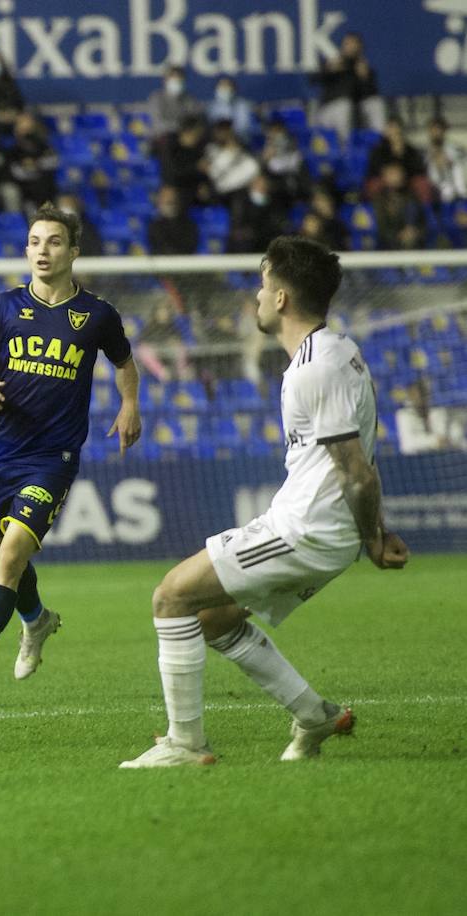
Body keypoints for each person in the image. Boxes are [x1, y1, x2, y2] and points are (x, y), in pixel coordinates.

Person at [121, 236, 409, 768]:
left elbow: (357, 473)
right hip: (323, 531)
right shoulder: (336, 351)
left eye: (261, 284)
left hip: (307, 530)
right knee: (213, 620)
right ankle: (314, 713)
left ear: (280, 298)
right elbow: (359, 465)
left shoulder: (314, 368)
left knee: (171, 597)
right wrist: (371, 531)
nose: (255, 296)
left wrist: (373, 536)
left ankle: (185, 744)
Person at [0, 204, 141, 707]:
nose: (42, 250)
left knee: (5, 561)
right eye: (34, 241)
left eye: (52, 241)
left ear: (73, 251)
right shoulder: (4, 306)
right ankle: (37, 621)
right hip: (0, 454)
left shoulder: (97, 315)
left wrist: (130, 404)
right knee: (7, 558)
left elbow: (124, 363)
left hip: (53, 457)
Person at [311, 31, 385, 141]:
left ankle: (379, 142)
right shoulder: (334, 63)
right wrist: (328, 70)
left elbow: (370, 96)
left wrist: (364, 78)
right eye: (347, 44)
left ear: (359, 47)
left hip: (354, 112)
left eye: (353, 44)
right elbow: (313, 79)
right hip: (328, 112)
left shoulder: (363, 68)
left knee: (376, 103)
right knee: (344, 105)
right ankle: (345, 149)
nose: (349, 47)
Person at [396, 377, 465, 454]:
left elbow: (453, 434)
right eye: (414, 394)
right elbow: (408, 443)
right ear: (409, 395)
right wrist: (433, 441)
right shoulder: (403, 414)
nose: (419, 398)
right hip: (414, 460)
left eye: (423, 393)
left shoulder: (438, 412)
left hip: (442, 456)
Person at [370, 162, 426, 251]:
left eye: (399, 173)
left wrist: (416, 232)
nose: (396, 176)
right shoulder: (379, 200)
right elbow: (380, 227)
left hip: (414, 243)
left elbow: (423, 222)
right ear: (384, 177)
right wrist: (398, 235)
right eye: (392, 173)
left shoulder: (412, 197)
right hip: (388, 246)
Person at [146, 65, 204, 142]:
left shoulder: (188, 99)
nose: (176, 81)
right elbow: (158, 122)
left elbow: (197, 116)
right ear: (165, 80)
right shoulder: (156, 98)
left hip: (185, 138)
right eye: (173, 78)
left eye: (179, 79)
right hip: (161, 138)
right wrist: (180, 128)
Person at [425, 116, 467, 204]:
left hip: (456, 190)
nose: (436, 133)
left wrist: (450, 163)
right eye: (433, 130)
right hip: (434, 191)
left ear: (444, 131)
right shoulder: (425, 151)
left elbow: (462, 166)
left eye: (438, 129)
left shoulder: (455, 149)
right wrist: (436, 163)